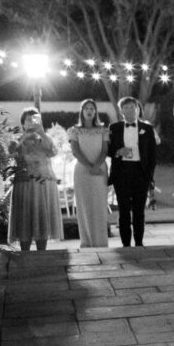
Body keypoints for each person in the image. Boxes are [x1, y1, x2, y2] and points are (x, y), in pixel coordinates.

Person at [8, 107, 63, 251]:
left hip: (43, 182)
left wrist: (42, 133)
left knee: (42, 218)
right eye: (28, 119)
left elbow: (53, 152)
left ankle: (42, 255)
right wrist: (24, 138)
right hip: (24, 182)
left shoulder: (44, 138)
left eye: (34, 119)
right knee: (24, 220)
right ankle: (24, 254)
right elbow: (11, 154)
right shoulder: (17, 139)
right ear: (23, 123)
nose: (31, 122)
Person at [108, 97, 157, 247]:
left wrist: (149, 176)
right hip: (121, 172)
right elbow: (107, 150)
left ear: (138, 109)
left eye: (133, 107)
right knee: (123, 210)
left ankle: (139, 242)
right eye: (126, 107)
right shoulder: (114, 127)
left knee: (138, 210)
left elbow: (152, 155)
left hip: (140, 172)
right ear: (121, 110)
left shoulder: (147, 129)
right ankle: (125, 243)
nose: (130, 110)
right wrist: (118, 151)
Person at [67, 99, 110, 248]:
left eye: (92, 108)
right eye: (86, 108)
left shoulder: (103, 130)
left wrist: (96, 166)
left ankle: (101, 241)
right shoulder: (74, 130)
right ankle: (87, 241)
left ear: (95, 111)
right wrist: (89, 166)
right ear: (82, 111)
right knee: (84, 205)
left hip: (100, 170)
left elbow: (104, 150)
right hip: (82, 170)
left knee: (99, 204)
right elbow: (75, 150)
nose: (89, 111)